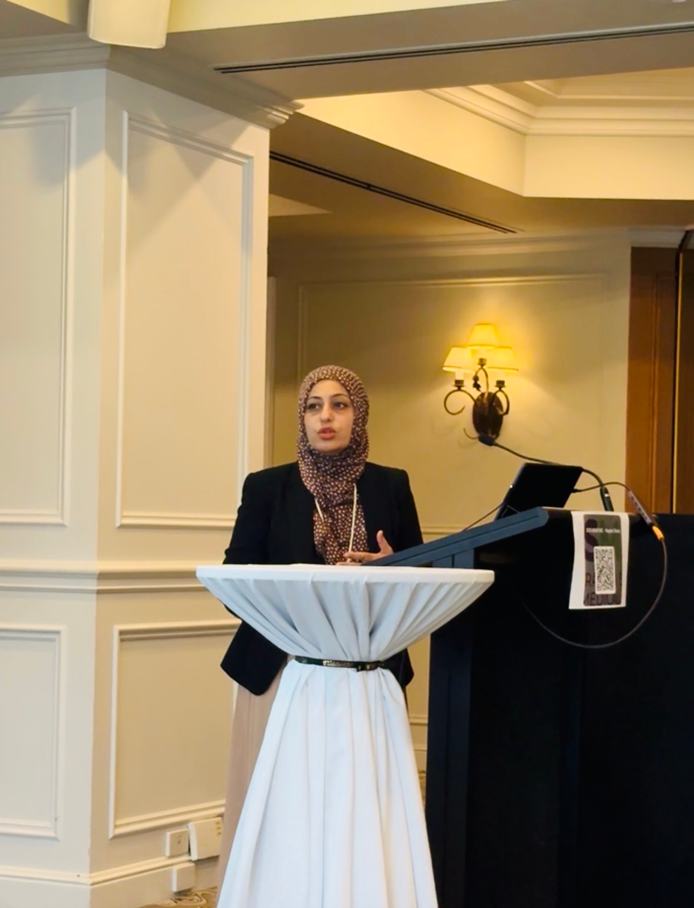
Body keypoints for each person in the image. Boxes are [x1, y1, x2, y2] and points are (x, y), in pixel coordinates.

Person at [216, 364, 423, 889]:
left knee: (361, 804)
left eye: (339, 404)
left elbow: (422, 575)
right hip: (279, 665)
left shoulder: (391, 484)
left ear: (359, 415)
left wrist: (391, 566)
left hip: (368, 666)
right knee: (278, 802)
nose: (325, 417)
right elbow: (236, 577)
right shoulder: (267, 487)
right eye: (313, 406)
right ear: (302, 418)